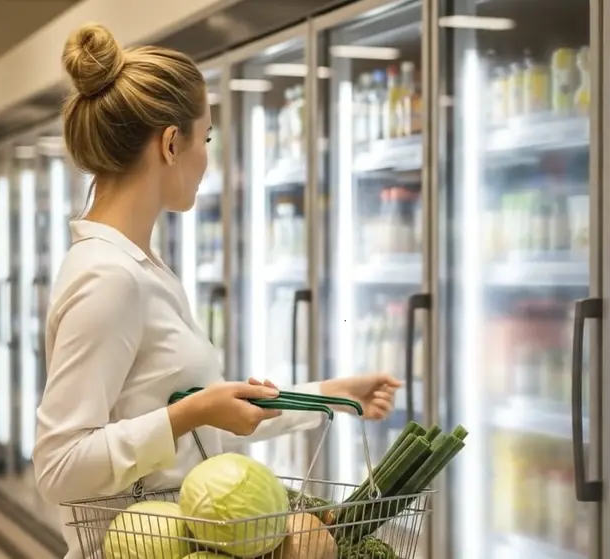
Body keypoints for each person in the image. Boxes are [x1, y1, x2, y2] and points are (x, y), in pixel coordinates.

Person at [32, 23, 403, 558]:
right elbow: (59, 467)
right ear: (170, 142)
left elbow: (196, 440)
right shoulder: (109, 278)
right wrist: (192, 412)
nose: (207, 158)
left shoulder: (141, 267)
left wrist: (332, 395)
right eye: (205, 139)